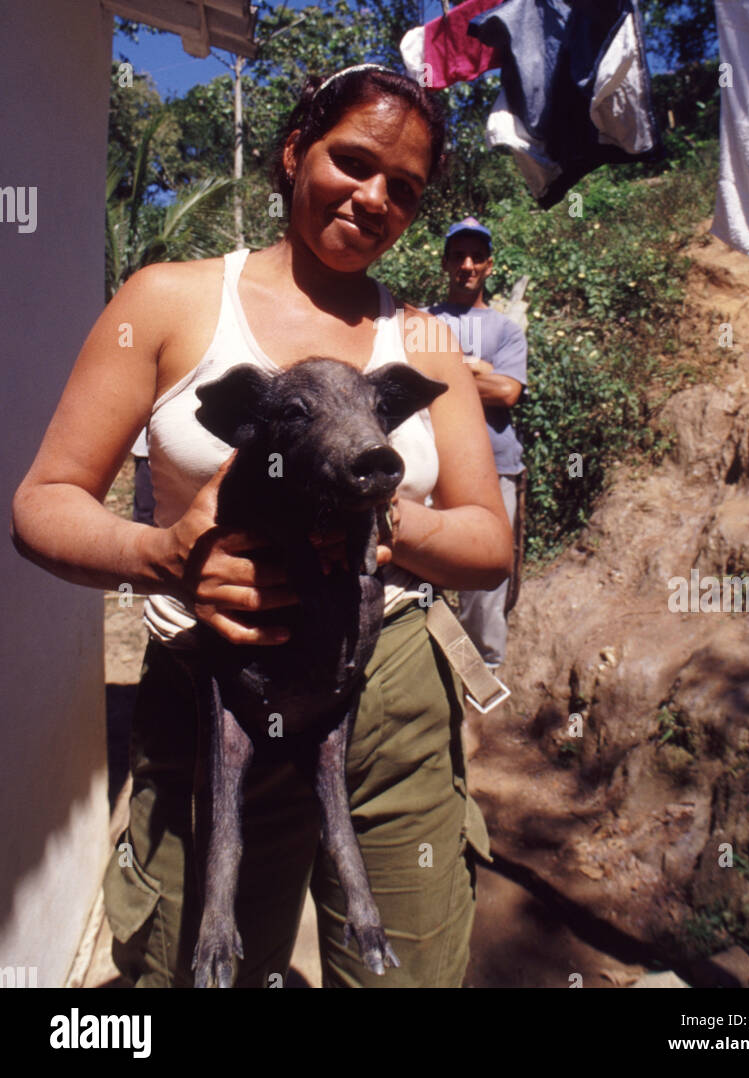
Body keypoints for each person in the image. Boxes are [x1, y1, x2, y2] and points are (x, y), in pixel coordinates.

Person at [11, 65, 512, 989]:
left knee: (403, 974)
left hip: (391, 689)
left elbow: (487, 543)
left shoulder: (427, 341)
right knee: (204, 971)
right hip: (219, 688)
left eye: (403, 189)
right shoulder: (169, 301)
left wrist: (363, 501)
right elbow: (43, 504)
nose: (374, 200)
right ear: (294, 152)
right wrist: (163, 555)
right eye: (353, 162)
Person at [429, 218, 527, 671]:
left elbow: (508, 393)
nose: (466, 266)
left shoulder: (506, 330)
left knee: (486, 574)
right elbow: (411, 384)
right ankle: (432, 668)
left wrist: (447, 375)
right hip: (432, 465)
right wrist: (478, 370)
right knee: (420, 566)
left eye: (476, 257)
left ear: (489, 265)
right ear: (447, 262)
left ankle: (484, 674)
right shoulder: (422, 323)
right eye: (458, 257)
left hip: (496, 465)